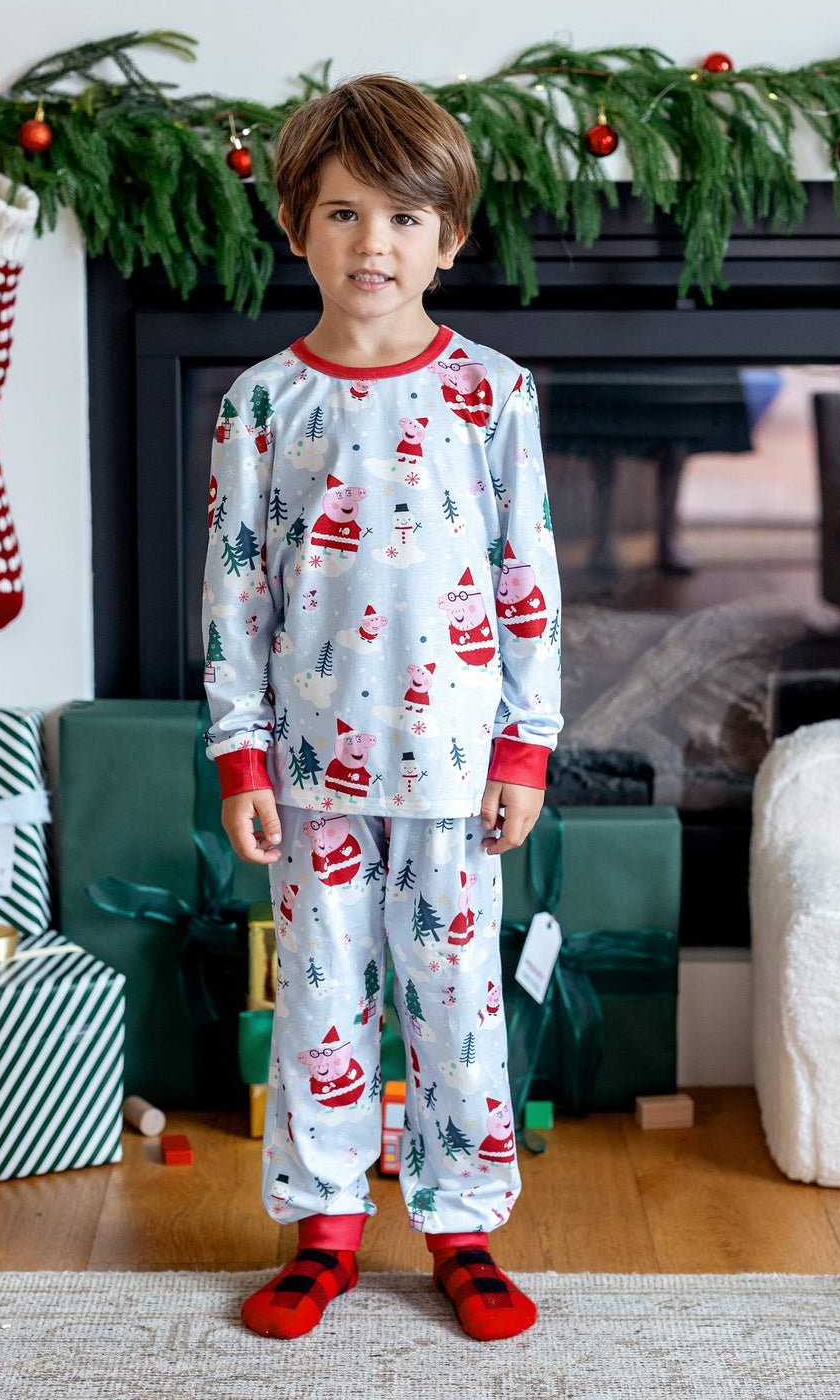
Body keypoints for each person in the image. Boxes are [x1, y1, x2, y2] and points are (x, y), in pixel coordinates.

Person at [201, 73, 562, 1342]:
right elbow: (236, 596)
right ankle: (328, 1227)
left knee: (457, 999)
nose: (374, 244)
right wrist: (239, 754)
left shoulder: (493, 394)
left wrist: (528, 741)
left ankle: (459, 1224)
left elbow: (528, 583)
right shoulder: (259, 404)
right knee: (319, 998)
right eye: (346, 214)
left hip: (460, 773)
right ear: (298, 227)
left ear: (450, 242)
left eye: (406, 219)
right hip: (310, 775)